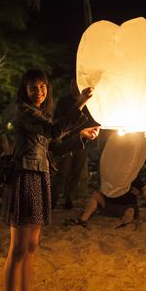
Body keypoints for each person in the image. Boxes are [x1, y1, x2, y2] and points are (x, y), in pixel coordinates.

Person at [1, 69, 93, 291]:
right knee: (17, 249)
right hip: (23, 177)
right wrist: (79, 105)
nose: (39, 91)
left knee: (31, 246)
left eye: (42, 86)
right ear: (24, 90)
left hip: (39, 177)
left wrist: (81, 138)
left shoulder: (40, 114)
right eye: (33, 87)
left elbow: (53, 146)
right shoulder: (24, 112)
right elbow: (53, 131)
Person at [51, 78, 93, 209]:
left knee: (76, 170)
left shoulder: (89, 103)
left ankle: (69, 199)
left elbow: (90, 121)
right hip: (65, 141)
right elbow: (57, 121)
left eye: (76, 84)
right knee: (61, 171)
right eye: (72, 83)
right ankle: (53, 199)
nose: (74, 86)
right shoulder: (64, 102)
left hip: (82, 140)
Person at [65, 176, 146, 228]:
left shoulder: (133, 175)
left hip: (126, 206)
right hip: (110, 203)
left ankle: (125, 225)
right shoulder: (111, 172)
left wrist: (140, 192)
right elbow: (102, 189)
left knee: (130, 211)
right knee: (96, 195)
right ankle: (83, 220)